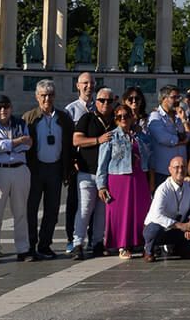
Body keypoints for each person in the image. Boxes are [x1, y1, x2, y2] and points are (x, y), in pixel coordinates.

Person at [22, 79, 73, 259]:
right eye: (43, 95)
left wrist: (68, 168)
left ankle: (45, 244)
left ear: (54, 96)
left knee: (52, 209)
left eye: (50, 95)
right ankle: (30, 245)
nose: (47, 99)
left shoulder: (63, 118)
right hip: (34, 169)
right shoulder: (29, 118)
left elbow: (70, 145)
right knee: (31, 209)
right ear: (37, 97)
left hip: (56, 168)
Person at [96, 103, 154, 259]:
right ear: (115, 119)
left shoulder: (140, 136)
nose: (123, 119)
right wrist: (101, 186)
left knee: (140, 210)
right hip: (118, 178)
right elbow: (102, 163)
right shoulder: (110, 137)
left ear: (131, 117)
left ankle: (141, 242)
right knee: (120, 213)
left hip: (138, 176)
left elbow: (149, 154)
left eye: (126, 116)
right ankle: (122, 245)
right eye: (119, 116)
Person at [70, 87, 118, 259]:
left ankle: (98, 242)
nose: (105, 104)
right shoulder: (87, 118)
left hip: (107, 174)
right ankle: (77, 243)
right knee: (84, 209)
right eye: (102, 100)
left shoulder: (117, 119)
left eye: (109, 101)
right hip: (87, 172)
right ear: (95, 102)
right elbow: (76, 140)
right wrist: (98, 140)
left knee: (102, 212)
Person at [0, 95, 33, 263]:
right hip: (0, 171)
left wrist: (6, 143)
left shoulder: (21, 124)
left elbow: (28, 145)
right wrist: (17, 141)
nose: (3, 110)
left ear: (11, 108)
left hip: (20, 169)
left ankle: (23, 249)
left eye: (6, 106)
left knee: (20, 211)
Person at [142, 156, 190, 261]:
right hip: (162, 228)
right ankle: (148, 251)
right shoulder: (163, 189)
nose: (180, 170)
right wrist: (181, 226)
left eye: (183, 167)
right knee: (154, 228)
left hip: (178, 228)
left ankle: (180, 248)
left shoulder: (189, 186)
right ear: (170, 170)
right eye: (176, 167)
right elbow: (156, 216)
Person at [62, 71, 97, 254]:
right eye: (85, 83)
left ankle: (93, 239)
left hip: (95, 163)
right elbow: (67, 140)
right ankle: (72, 239)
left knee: (95, 205)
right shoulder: (71, 110)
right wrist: (71, 162)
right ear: (78, 86)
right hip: (77, 164)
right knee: (75, 203)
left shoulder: (100, 107)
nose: (88, 86)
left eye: (91, 83)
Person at [147, 85, 190, 186]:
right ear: (163, 99)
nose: (177, 100)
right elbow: (164, 139)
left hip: (181, 172)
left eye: (178, 97)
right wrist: (183, 141)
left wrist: (184, 120)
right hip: (163, 172)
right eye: (174, 97)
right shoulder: (155, 116)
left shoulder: (180, 116)